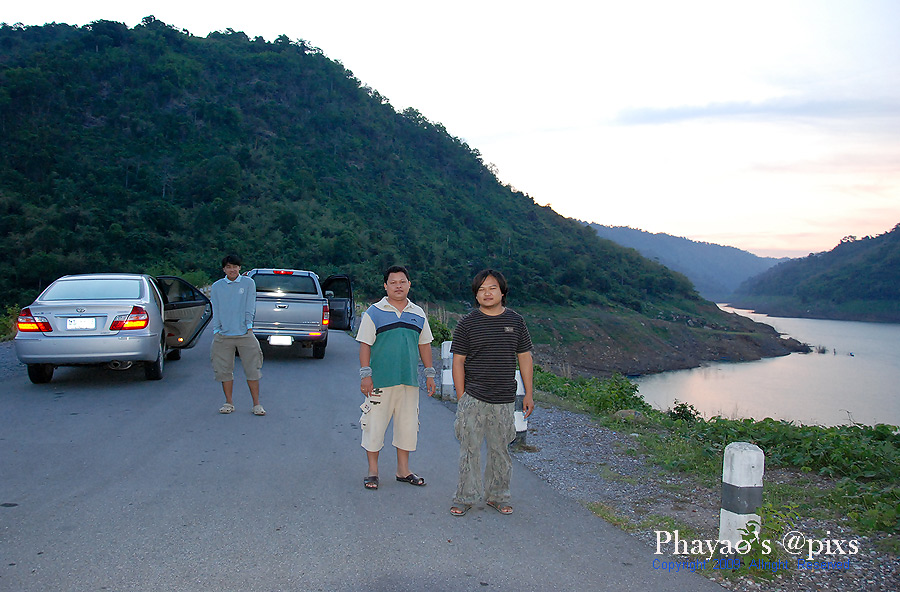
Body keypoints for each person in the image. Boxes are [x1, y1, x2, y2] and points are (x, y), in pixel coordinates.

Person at [450, 269, 533, 516]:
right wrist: (461, 396)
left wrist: (529, 393)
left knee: (500, 450)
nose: (487, 293)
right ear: (476, 296)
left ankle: (498, 495)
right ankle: (464, 497)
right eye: (481, 289)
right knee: (469, 450)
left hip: (505, 398)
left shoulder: (516, 322)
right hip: (473, 397)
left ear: (502, 291)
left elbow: (525, 358)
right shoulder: (467, 323)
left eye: (492, 288)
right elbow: (458, 362)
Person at [357, 265, 436, 490]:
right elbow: (365, 345)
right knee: (374, 425)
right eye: (393, 282)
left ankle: (403, 471)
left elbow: (425, 345)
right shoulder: (374, 312)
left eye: (402, 281)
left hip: (409, 381)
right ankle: (373, 472)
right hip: (380, 382)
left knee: (408, 427)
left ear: (409, 284)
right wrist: (366, 375)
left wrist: (430, 374)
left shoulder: (418, 313)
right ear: (385, 286)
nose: (398, 286)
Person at [209, 254, 265, 416]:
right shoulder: (217, 286)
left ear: (239, 268)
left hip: (244, 333)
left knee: (252, 368)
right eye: (228, 267)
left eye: (234, 266)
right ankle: (228, 402)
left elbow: (250, 306)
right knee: (223, 369)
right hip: (223, 335)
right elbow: (216, 309)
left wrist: (248, 327)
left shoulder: (248, 283)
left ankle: (256, 404)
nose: (232, 270)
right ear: (224, 269)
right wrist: (216, 330)